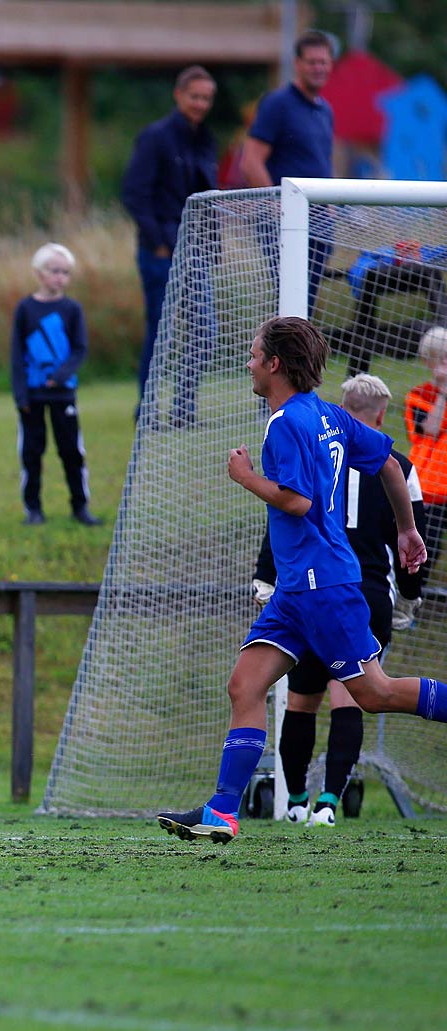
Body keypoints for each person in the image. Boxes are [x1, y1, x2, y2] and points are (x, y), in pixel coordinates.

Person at [157, 316, 441, 845]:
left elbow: (298, 500)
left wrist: (245, 477)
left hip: (323, 585)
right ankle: (222, 811)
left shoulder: (286, 422)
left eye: (252, 354)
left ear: (274, 365)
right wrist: (406, 529)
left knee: (374, 693)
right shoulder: (328, 414)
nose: (247, 363)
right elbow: (390, 464)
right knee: (245, 685)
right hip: (297, 588)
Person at [250, 374, 425, 827]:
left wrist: (264, 576)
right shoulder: (401, 465)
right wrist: (409, 596)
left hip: (316, 585)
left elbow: (289, 507)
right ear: (382, 416)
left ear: (342, 406)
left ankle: (294, 802)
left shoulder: (308, 437)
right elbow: (413, 536)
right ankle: (327, 802)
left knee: (304, 700)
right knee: (352, 695)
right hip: (366, 590)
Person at [121, 65, 219, 424]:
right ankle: (147, 408)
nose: (200, 104)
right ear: (179, 95)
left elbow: (209, 196)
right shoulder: (156, 138)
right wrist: (160, 242)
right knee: (160, 332)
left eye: (206, 98)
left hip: (198, 250)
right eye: (194, 96)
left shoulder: (205, 140)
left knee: (203, 331)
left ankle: (184, 407)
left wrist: (214, 245)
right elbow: (134, 193)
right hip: (161, 251)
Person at [240, 31, 337, 313]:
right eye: (312, 62)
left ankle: (297, 355)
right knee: (291, 300)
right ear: (297, 64)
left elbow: (320, 162)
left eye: (324, 62)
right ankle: (280, 355)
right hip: (285, 221)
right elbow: (251, 161)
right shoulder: (277, 104)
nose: (318, 68)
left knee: (306, 303)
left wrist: (329, 203)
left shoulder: (325, 110)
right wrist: (278, 202)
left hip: (320, 221)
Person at [10, 243, 100, 527]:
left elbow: (79, 349)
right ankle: (33, 510)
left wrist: (60, 376)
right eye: (54, 271)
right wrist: (21, 395)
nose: (60, 277)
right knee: (32, 453)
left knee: (71, 452)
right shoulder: (25, 309)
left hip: (63, 395)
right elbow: (16, 355)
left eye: (66, 272)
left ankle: (80, 507)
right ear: (39, 273)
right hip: (32, 397)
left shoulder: (72, 309)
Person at [403, 326, 447, 582]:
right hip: (431, 484)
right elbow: (429, 429)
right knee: (427, 544)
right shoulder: (418, 395)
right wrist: (443, 392)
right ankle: (413, 597)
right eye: (439, 358)